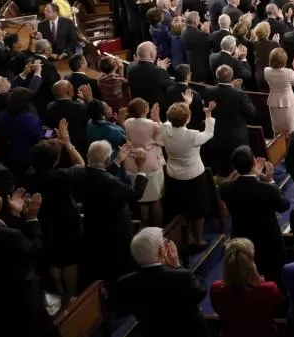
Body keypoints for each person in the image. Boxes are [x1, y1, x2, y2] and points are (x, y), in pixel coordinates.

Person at [0, 185, 58, 337]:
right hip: (23, 297)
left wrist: (14, 214)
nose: (2, 196)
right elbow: (35, 249)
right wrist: (33, 220)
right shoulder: (10, 236)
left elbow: (7, 239)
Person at [66, 140, 148, 286]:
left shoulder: (80, 173)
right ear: (107, 160)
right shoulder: (111, 183)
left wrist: (117, 161)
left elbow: (98, 174)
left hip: (93, 228)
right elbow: (135, 194)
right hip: (116, 233)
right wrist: (141, 167)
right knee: (119, 271)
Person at [115, 227, 208, 337]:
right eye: (164, 242)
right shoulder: (182, 276)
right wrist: (178, 266)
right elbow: (200, 292)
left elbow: (121, 311)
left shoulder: (125, 282)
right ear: (162, 251)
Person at [218, 146, 290, 284]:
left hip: (241, 240)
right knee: (275, 279)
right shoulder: (268, 189)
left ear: (235, 167)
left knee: (245, 279)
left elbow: (247, 186)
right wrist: (269, 180)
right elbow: (284, 205)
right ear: (254, 163)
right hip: (269, 243)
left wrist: (256, 175)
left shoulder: (225, 188)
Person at [161, 101, 217, 249]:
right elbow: (209, 133)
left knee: (181, 208)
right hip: (194, 177)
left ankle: (187, 238)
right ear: (187, 119)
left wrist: (185, 104)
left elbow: (168, 120)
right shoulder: (193, 135)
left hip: (174, 176)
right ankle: (198, 239)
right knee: (198, 209)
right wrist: (208, 113)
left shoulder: (164, 128)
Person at [210, 237, 286, 337]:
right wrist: (261, 282)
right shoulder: (269, 289)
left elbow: (218, 310)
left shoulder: (216, 289)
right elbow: (280, 309)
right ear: (251, 262)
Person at [122, 98, 165, 227]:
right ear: (146, 110)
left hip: (132, 163)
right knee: (155, 199)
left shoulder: (127, 122)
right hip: (151, 164)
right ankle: (158, 231)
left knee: (142, 200)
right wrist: (158, 121)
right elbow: (163, 141)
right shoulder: (153, 125)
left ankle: (145, 229)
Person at [264, 47, 294, 134]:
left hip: (273, 102)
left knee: (277, 129)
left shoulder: (266, 71)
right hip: (288, 102)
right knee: (291, 129)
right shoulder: (288, 72)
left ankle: (278, 147)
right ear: (284, 60)